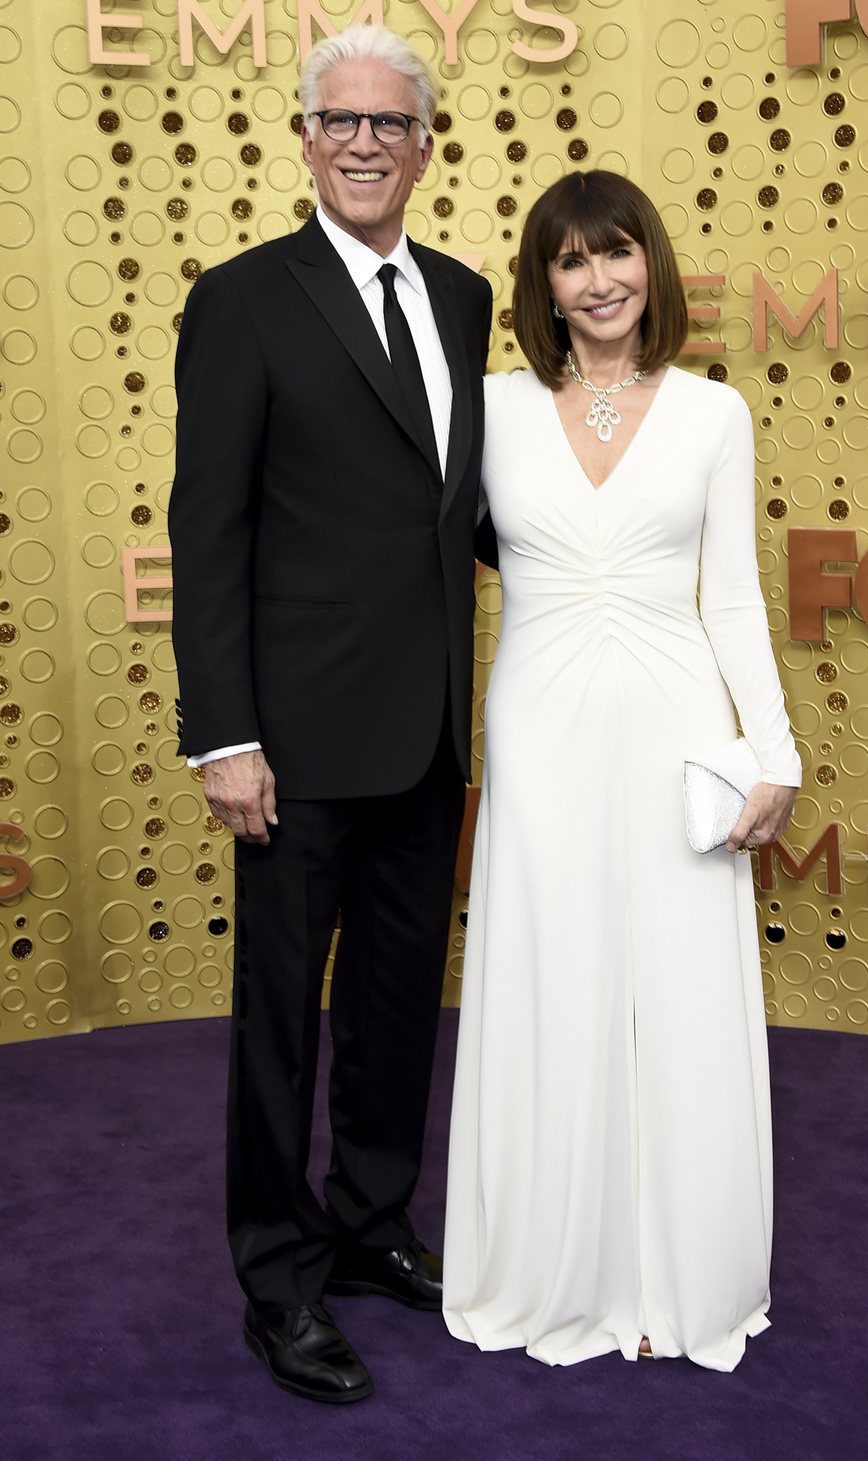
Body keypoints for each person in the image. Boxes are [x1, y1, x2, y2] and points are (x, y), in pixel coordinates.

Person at [168, 25, 491, 1404]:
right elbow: (210, 529)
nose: (364, 141)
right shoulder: (242, 299)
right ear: (302, 140)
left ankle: (369, 1226)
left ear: (429, 145)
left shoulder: (471, 297)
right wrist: (223, 733)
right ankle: (279, 1274)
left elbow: (472, 509)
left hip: (426, 734)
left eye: (390, 123)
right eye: (338, 119)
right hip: (289, 747)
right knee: (279, 1020)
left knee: (397, 1006)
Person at [442, 170, 801, 1372]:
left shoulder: (714, 412)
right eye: (570, 261)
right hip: (538, 728)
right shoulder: (489, 409)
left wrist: (773, 750)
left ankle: (673, 1275)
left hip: (675, 725)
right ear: (542, 283)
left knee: (679, 991)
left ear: (653, 262)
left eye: (618, 254)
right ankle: (556, 1266)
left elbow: (736, 598)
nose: (599, 282)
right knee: (553, 978)